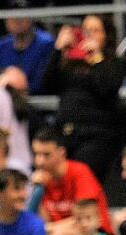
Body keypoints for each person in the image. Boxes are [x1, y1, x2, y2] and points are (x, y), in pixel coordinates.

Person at [42, 14, 124, 182]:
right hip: (65, 133)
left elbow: (107, 88)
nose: (90, 35)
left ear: (106, 36)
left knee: (80, 177)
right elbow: (47, 85)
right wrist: (58, 51)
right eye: (86, 30)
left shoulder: (113, 63)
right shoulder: (69, 64)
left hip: (96, 135)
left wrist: (96, 58)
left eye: (96, 31)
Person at [30, 128, 113, 235]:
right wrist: (37, 191)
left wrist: (49, 228)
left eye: (46, 155)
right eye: (36, 154)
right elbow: (42, 221)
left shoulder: (79, 173)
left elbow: (85, 219)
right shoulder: (42, 181)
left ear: (61, 152)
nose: (40, 161)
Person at [0, 13, 54, 94]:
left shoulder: (46, 43)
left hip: (38, 100)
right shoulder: (1, 46)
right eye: (12, 15)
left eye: (21, 14)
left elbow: (44, 82)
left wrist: (19, 86)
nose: (17, 19)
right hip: (6, 99)